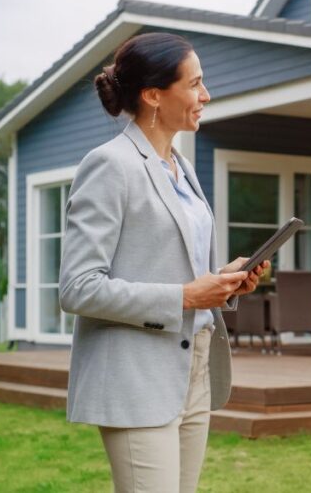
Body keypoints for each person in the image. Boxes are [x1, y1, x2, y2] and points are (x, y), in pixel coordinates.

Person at [58, 32, 269, 493]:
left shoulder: (181, 168)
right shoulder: (110, 165)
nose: (205, 95)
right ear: (153, 95)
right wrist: (186, 296)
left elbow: (177, 268)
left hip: (192, 367)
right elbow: (77, 287)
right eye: (194, 84)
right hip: (135, 377)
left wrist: (223, 282)